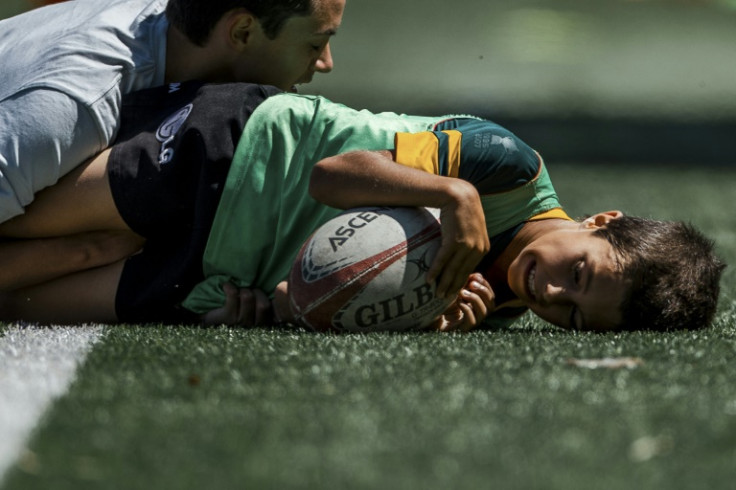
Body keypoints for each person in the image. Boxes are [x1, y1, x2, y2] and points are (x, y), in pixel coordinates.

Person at [0, 81, 725, 332]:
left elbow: (331, 287)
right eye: (581, 274)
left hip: (220, 271)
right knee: (19, 213)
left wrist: (289, 307)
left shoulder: (488, 306)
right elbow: (330, 177)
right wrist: (451, 193)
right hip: (241, 158)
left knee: (31, 288)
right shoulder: (504, 167)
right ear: (600, 221)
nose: (552, 293)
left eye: (571, 315)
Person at [0, 0, 344, 225]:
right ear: (242, 31)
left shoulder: (168, 24)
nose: (326, 63)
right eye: (315, 43)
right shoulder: (74, 107)